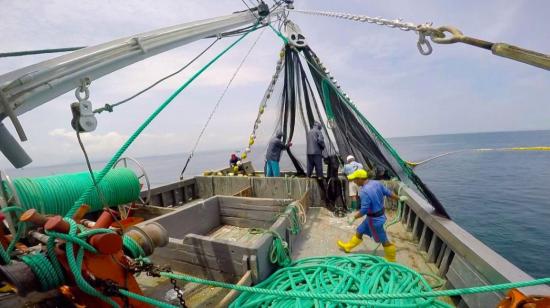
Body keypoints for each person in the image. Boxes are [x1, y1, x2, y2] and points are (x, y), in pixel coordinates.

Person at [337, 169, 407, 262]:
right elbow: (388, 193)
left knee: (383, 240)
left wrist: (354, 217)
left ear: (360, 179)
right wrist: (399, 198)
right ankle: (348, 247)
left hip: (375, 220)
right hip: (376, 216)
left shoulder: (364, 192)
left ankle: (391, 258)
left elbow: (364, 210)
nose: (354, 182)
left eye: (355, 179)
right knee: (360, 230)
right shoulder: (376, 183)